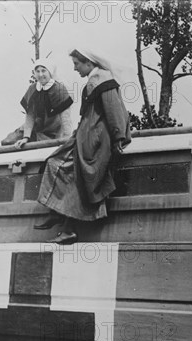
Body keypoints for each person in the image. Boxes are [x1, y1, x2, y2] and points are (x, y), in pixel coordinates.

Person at [33, 48, 131, 244]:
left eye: (77, 64)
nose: (75, 68)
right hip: (84, 136)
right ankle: (57, 212)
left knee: (75, 176)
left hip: (95, 140)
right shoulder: (95, 80)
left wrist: (119, 137)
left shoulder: (103, 81)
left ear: (88, 63)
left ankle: (67, 227)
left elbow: (115, 110)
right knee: (53, 162)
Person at [14, 59, 74, 149]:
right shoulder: (33, 88)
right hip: (36, 129)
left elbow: (65, 118)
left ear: (50, 72)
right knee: (8, 141)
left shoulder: (59, 89)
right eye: (37, 71)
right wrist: (26, 137)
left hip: (53, 132)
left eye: (43, 71)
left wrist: (66, 139)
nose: (40, 75)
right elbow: (30, 115)